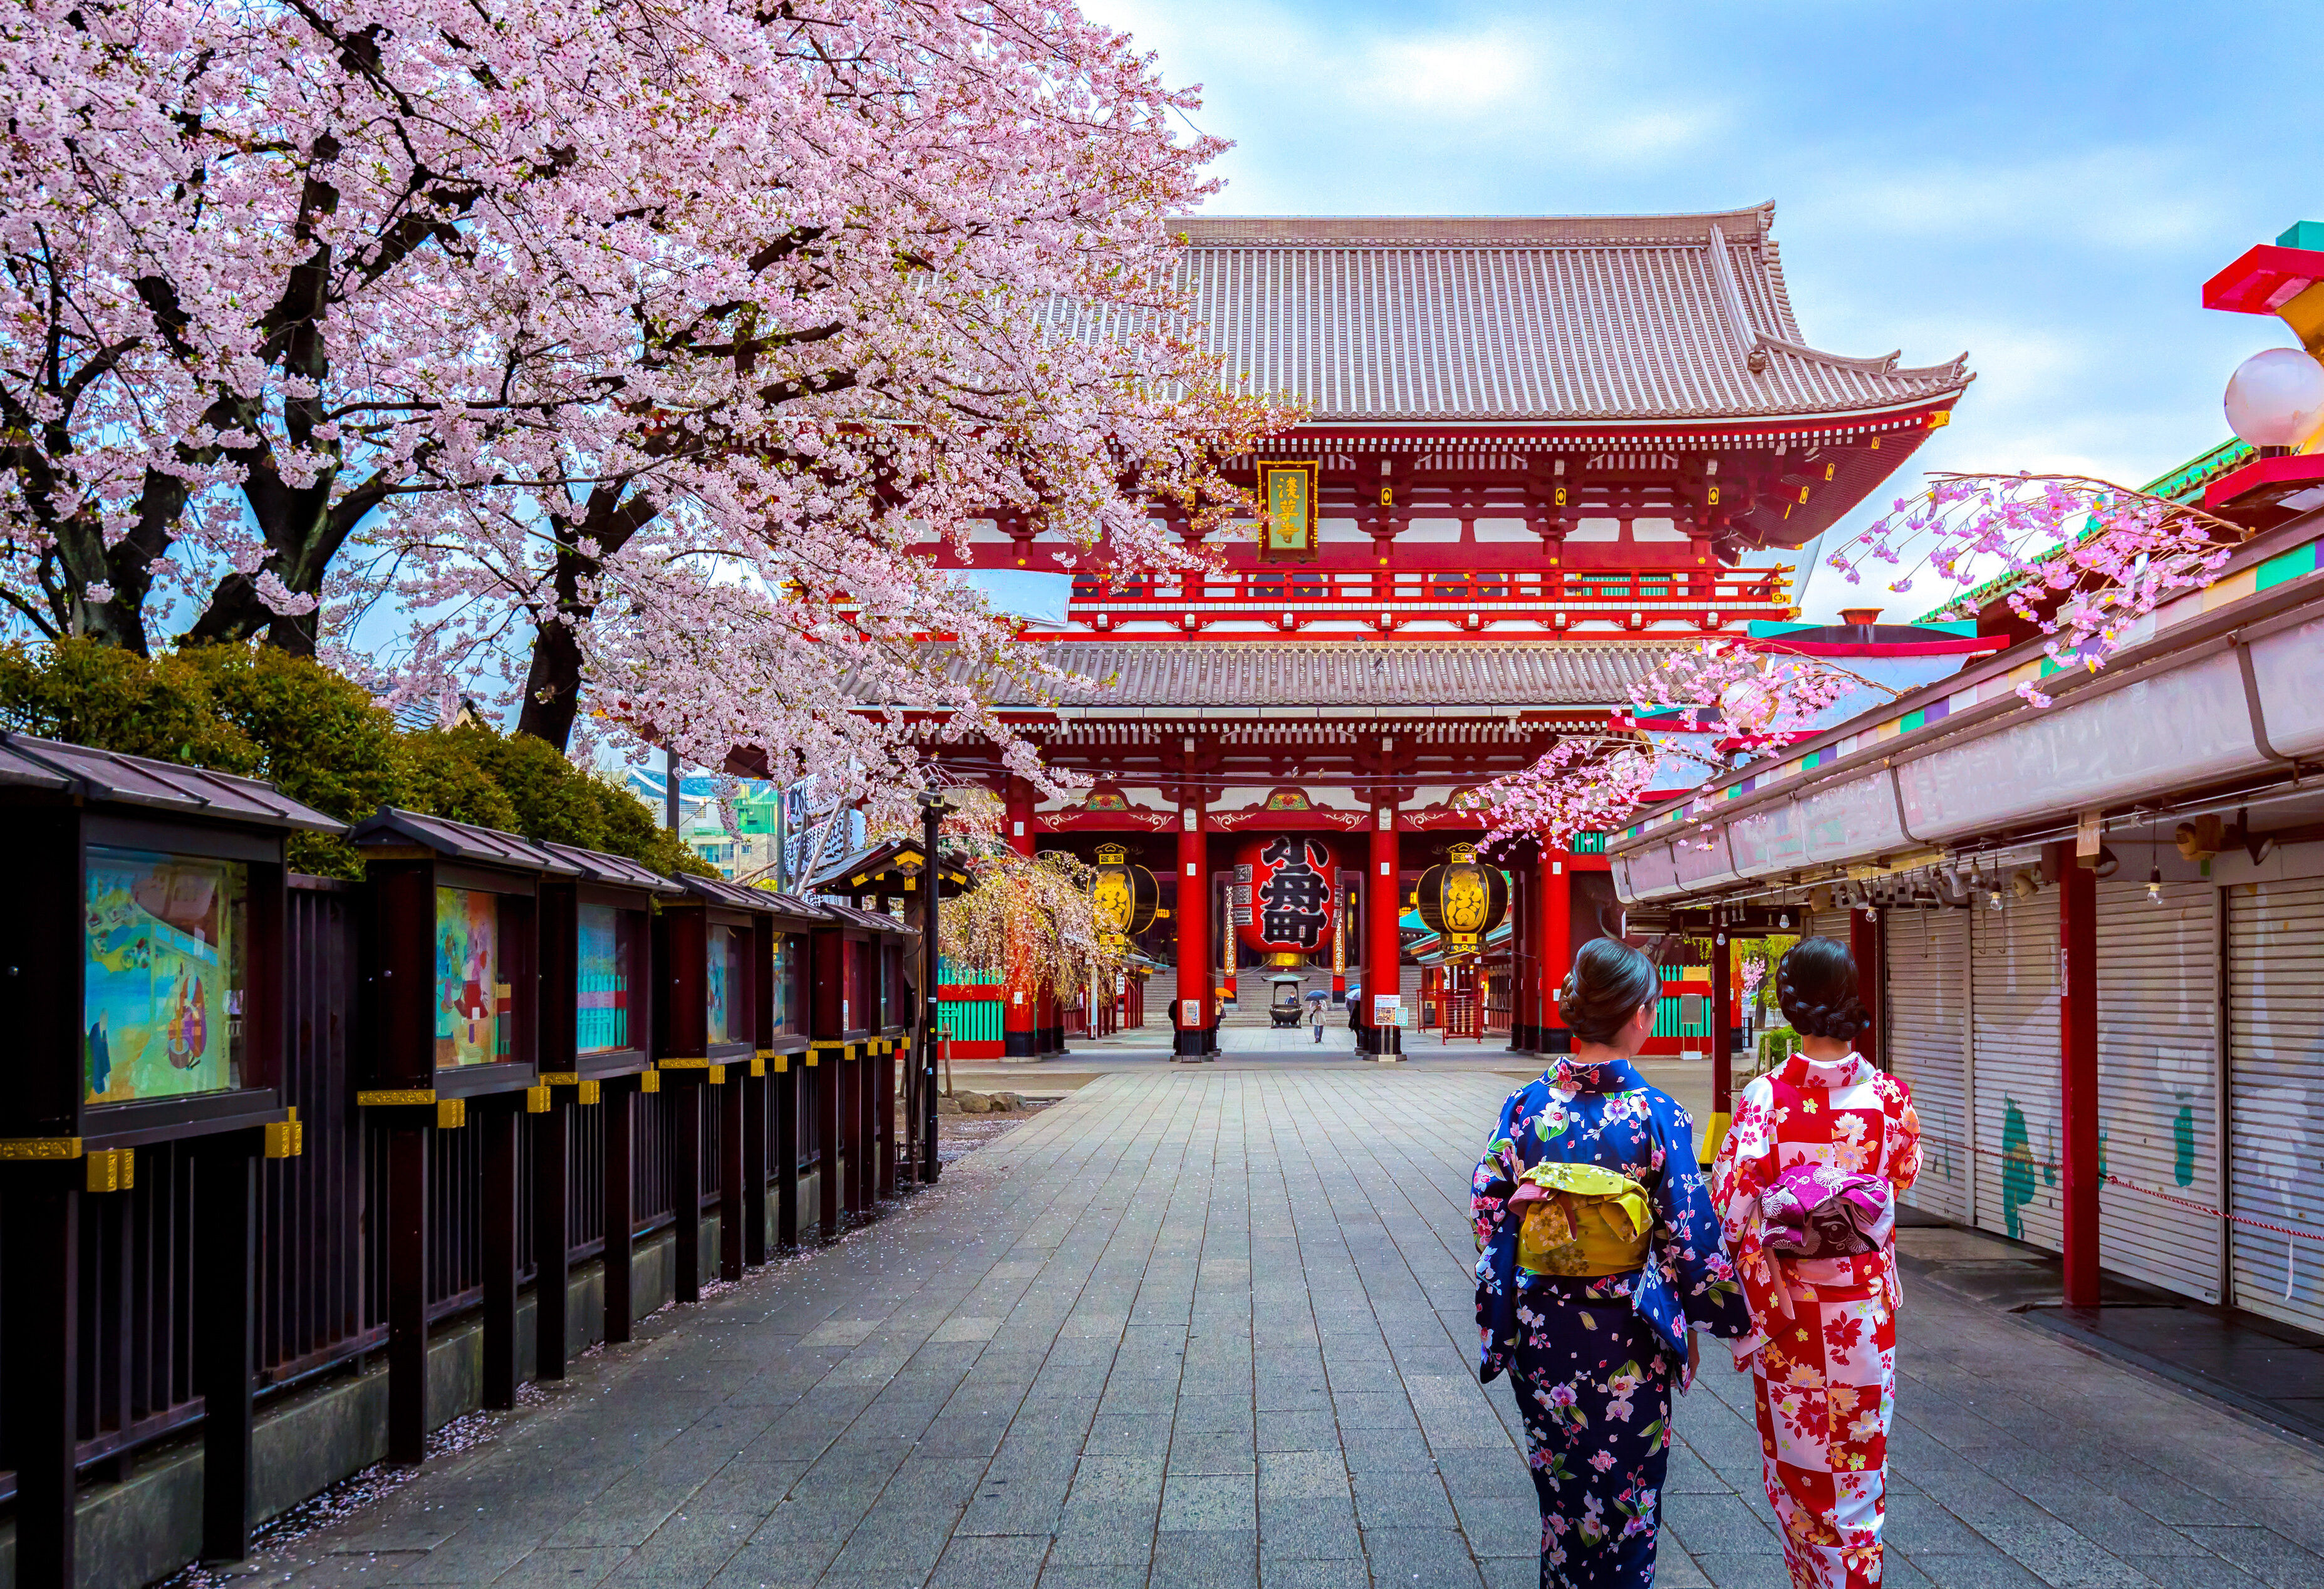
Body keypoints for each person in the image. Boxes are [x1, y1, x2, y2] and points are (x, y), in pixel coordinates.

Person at [1471, 938, 1751, 1589]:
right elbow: (1687, 1234)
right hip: (1626, 1334)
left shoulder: (1525, 1108)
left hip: (1542, 1331)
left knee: (1563, 1496)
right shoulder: (1656, 1114)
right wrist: (1730, 1319)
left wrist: (1525, 1218)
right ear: (1638, 1015)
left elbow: (1488, 1213)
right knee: (1627, 1502)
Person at [1710, 937, 1921, 1589]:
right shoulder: (1888, 1097)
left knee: (1800, 1479)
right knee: (1857, 1478)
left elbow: (1729, 1202)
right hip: (1862, 1317)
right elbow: (1903, 1175)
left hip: (1792, 1315)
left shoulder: (1764, 1098)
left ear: (1787, 1001)